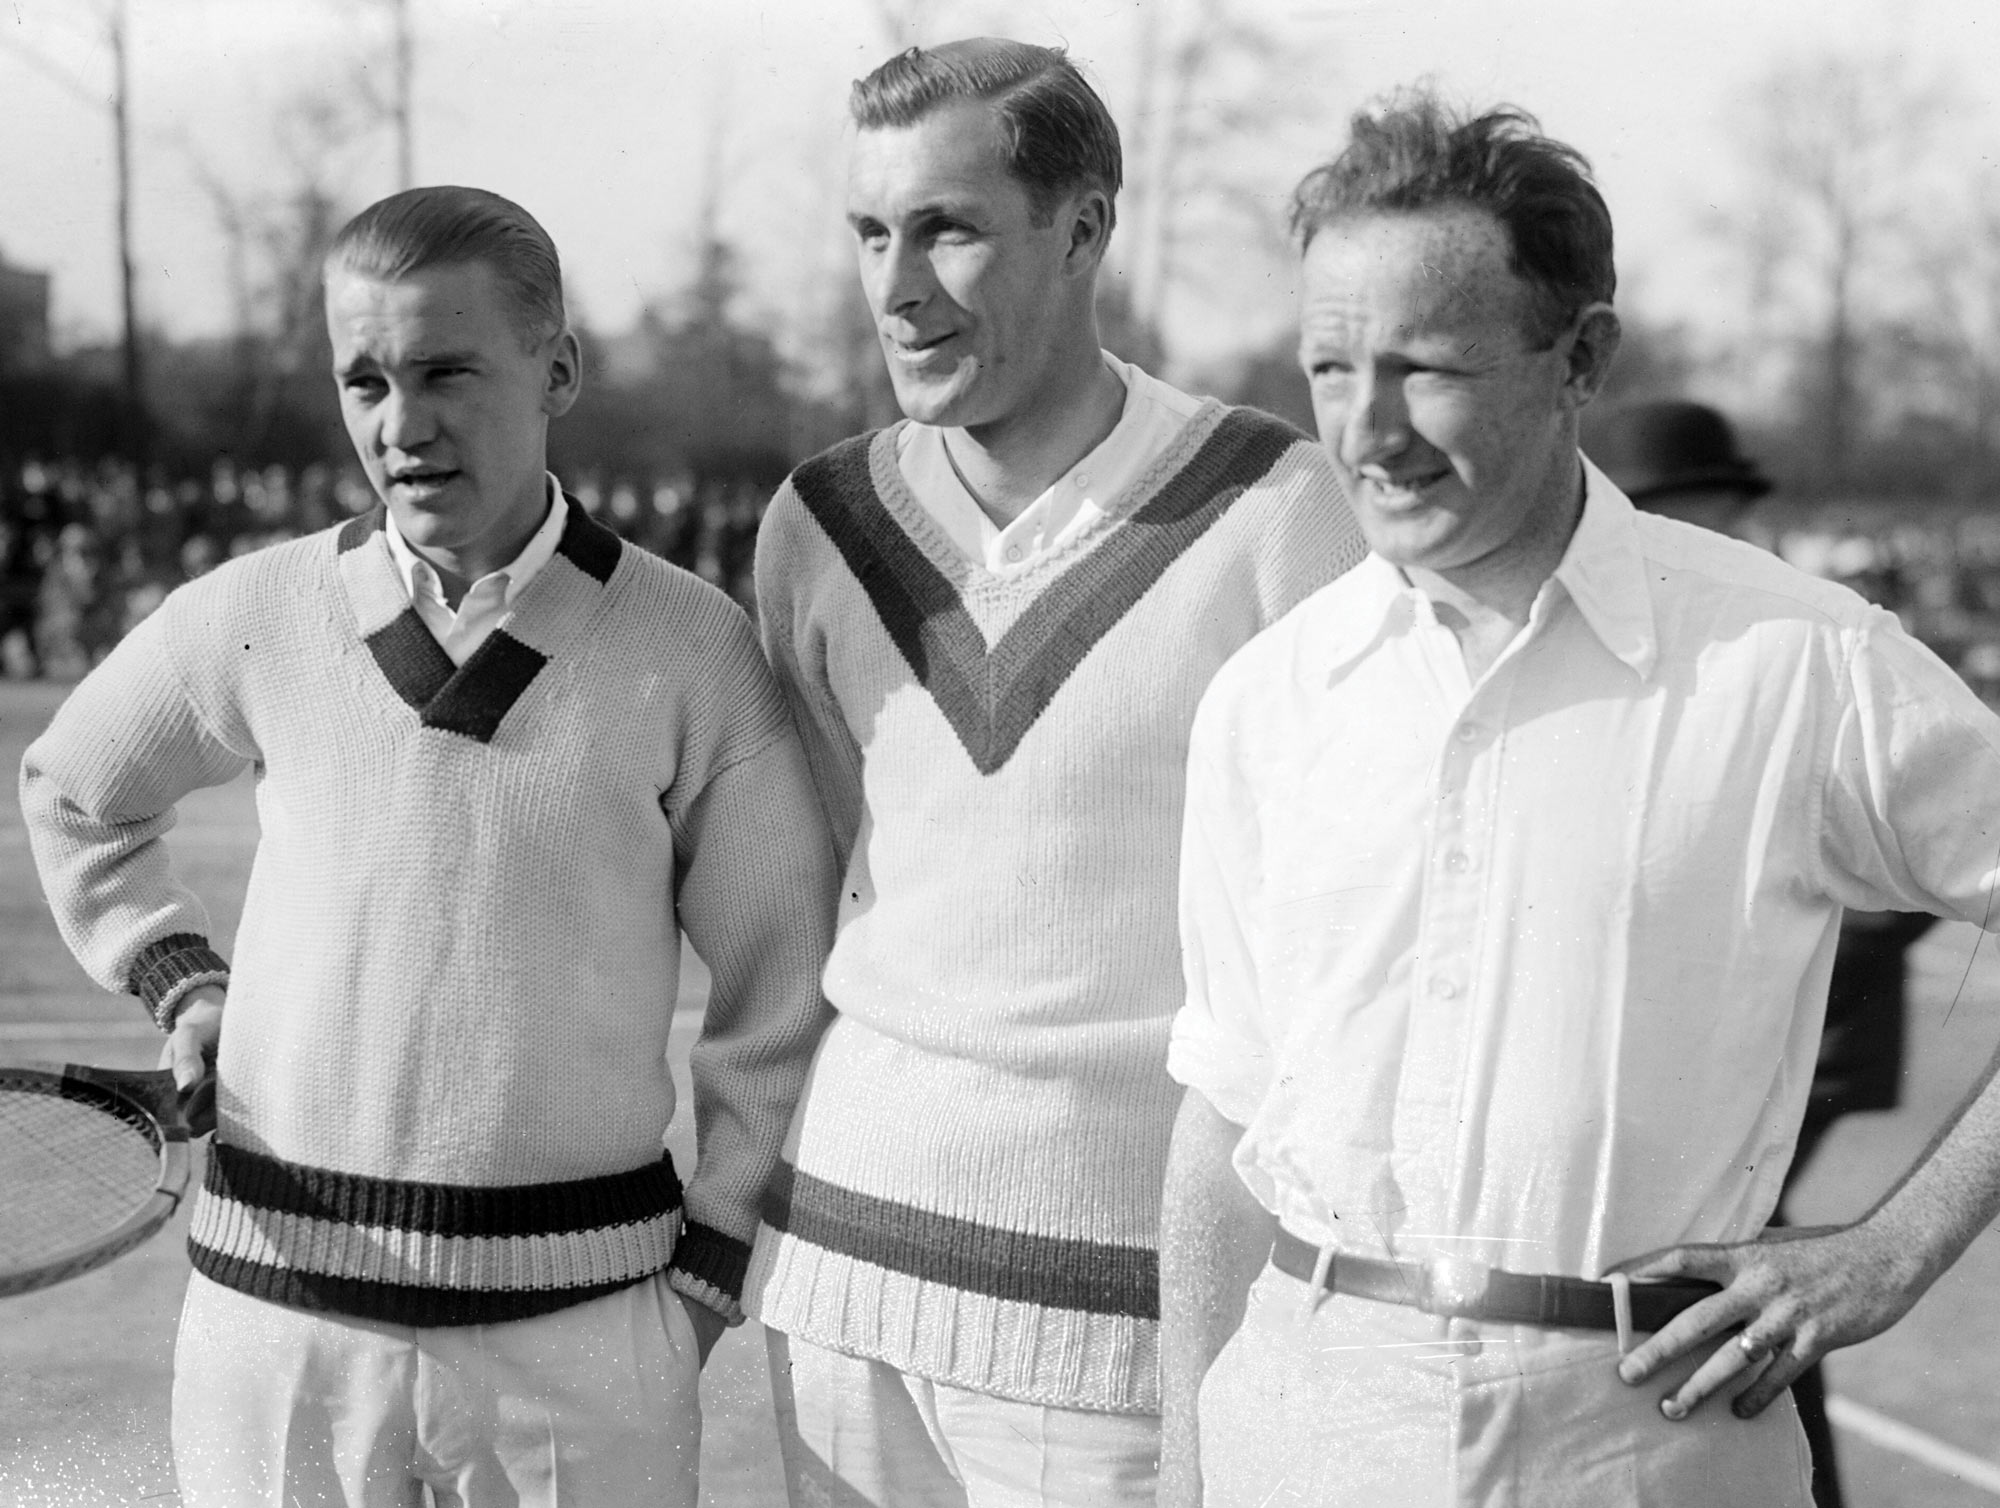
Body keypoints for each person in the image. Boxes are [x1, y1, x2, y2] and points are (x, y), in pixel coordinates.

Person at [1159, 90, 2000, 1507]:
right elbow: (1224, 1122)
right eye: (1329, 367)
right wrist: (1187, 1470)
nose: (1369, 431)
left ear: (1581, 356)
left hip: (1642, 1437)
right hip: (1300, 1425)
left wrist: (1897, 1243)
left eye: (1427, 368)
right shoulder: (1267, 695)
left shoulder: (1797, 658)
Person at [20, 186, 836, 1508]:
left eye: (447, 370)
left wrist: (709, 1267)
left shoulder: (696, 653)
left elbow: (781, 986)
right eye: (365, 380)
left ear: (557, 369)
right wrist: (182, 980)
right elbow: (76, 793)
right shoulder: (258, 612)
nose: (403, 425)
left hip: (580, 1343)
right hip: (275, 1326)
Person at [745, 38, 1365, 1507]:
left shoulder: (1280, 511)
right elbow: (823, 873)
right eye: (872, 235)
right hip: (834, 1293)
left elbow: (1335, 956)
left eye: (949, 229)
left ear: (1084, 228)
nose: (897, 288)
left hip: (1123, 1328)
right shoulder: (817, 523)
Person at [1588, 397, 1940, 1508]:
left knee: (1729, 1286)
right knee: (1730, 1293)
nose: (1724, 524)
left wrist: (1833, 919)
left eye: (1724, 507)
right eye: (1700, 507)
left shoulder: (1805, 641)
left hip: (1798, 1043)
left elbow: (1911, 843)